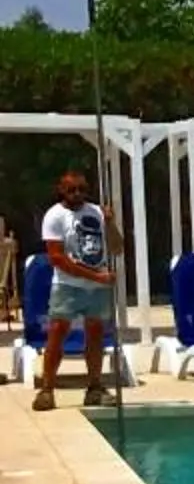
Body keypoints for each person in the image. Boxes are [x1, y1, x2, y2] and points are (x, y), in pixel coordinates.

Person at [32, 169, 115, 412]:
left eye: (82, 189)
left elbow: (118, 247)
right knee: (57, 333)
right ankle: (47, 389)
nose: (77, 194)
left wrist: (110, 223)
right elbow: (58, 258)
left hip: (96, 287)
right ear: (61, 190)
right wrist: (96, 276)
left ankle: (95, 387)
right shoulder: (54, 216)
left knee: (96, 335)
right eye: (72, 190)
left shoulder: (97, 212)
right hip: (68, 285)